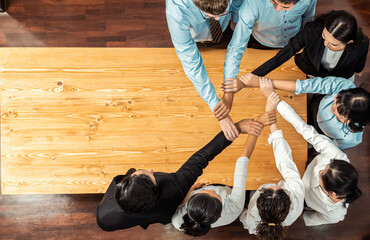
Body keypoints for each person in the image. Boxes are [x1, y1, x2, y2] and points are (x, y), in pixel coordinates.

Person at [96, 119, 265, 231]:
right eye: (150, 176)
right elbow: (202, 157)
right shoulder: (175, 186)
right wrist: (236, 127)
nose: (151, 170)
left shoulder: (107, 218)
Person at [171, 109, 277, 236]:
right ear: (220, 215)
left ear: (190, 203)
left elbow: (181, 204)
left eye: (204, 192)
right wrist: (257, 125)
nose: (211, 190)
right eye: (217, 195)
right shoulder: (235, 205)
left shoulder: (177, 221)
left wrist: (192, 188)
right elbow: (243, 161)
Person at [273, 89, 362, 226]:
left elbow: (309, 217)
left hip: (297, 197)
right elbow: (306, 130)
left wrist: (297, 211)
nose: (319, 171)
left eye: (322, 175)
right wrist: (278, 103)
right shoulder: (337, 155)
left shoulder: (335, 214)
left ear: (332, 194)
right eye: (327, 167)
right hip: (302, 163)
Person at [223, 74, 370, 149]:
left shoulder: (351, 139)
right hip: (314, 106)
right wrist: (260, 82)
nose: (332, 105)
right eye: (336, 98)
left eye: (337, 110)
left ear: (347, 120)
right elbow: (303, 86)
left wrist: (271, 96)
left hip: (317, 134)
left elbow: (326, 145)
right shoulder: (343, 85)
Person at [166, 0, 243, 141]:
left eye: (223, 12)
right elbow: (192, 63)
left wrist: (235, 16)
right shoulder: (177, 10)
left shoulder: (222, 16)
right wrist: (218, 108)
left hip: (225, 31)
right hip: (195, 38)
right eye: (210, 15)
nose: (218, 18)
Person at [239, 79, 304, 240]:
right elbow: (284, 158)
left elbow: (245, 219)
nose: (273, 185)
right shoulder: (297, 194)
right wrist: (271, 118)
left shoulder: (253, 214)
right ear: (289, 200)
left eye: (266, 190)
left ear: (259, 204)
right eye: (279, 189)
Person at [252, 10, 369, 81]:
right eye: (324, 36)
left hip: (339, 77)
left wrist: (359, 70)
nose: (325, 43)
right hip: (310, 70)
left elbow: (360, 60)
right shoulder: (311, 30)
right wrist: (254, 75)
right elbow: (284, 54)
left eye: (333, 44)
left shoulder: (362, 44)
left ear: (349, 42)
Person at [223, 0, 316, 81]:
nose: (276, 8)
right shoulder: (252, 3)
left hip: (293, 41)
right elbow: (236, 46)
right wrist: (229, 82)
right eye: (273, 1)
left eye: (284, 7)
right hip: (259, 41)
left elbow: (308, 19)